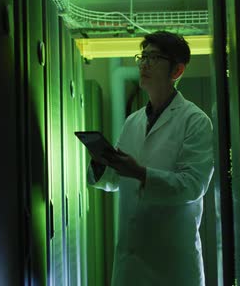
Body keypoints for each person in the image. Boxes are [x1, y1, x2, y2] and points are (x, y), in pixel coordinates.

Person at [87, 31, 214, 286]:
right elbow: (115, 180)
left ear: (177, 71)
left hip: (172, 267)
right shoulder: (133, 121)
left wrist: (140, 173)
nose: (144, 64)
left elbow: (192, 186)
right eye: (142, 57)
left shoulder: (196, 121)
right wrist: (101, 161)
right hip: (130, 264)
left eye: (154, 58)